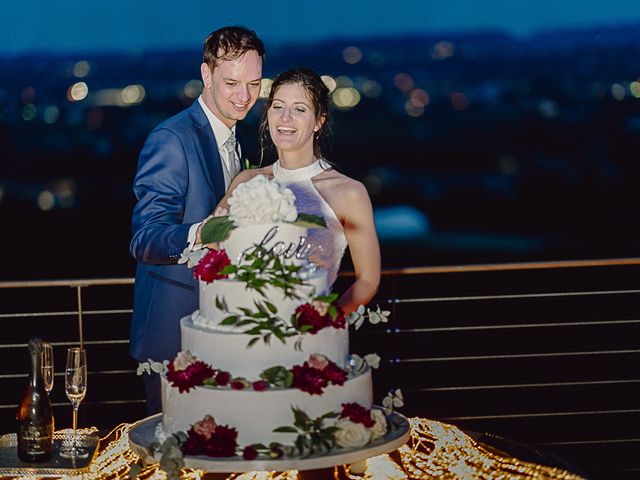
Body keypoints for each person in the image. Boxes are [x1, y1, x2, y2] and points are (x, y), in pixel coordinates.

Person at [129, 26, 264, 414]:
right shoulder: (172, 138)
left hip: (223, 333)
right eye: (232, 83)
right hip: (173, 341)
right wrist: (202, 232)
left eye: (254, 84)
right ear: (206, 75)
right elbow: (144, 238)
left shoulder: (239, 139)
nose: (244, 97)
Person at [215, 68, 380, 312]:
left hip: (307, 334)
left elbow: (367, 280)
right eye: (278, 106)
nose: (285, 118)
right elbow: (215, 252)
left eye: (299, 109)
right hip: (241, 326)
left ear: (319, 121)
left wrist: (323, 321)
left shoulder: (348, 192)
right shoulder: (246, 182)